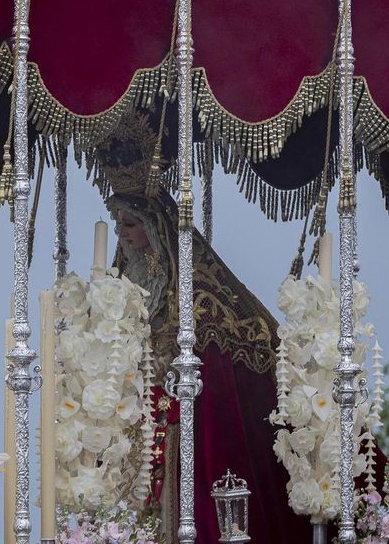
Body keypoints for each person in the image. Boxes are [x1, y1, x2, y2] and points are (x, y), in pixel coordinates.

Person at [94, 112, 313, 543]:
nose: (121, 235)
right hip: (130, 425)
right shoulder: (121, 284)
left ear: (155, 227)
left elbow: (231, 355)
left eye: (131, 223)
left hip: (177, 428)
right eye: (117, 223)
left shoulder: (196, 295)